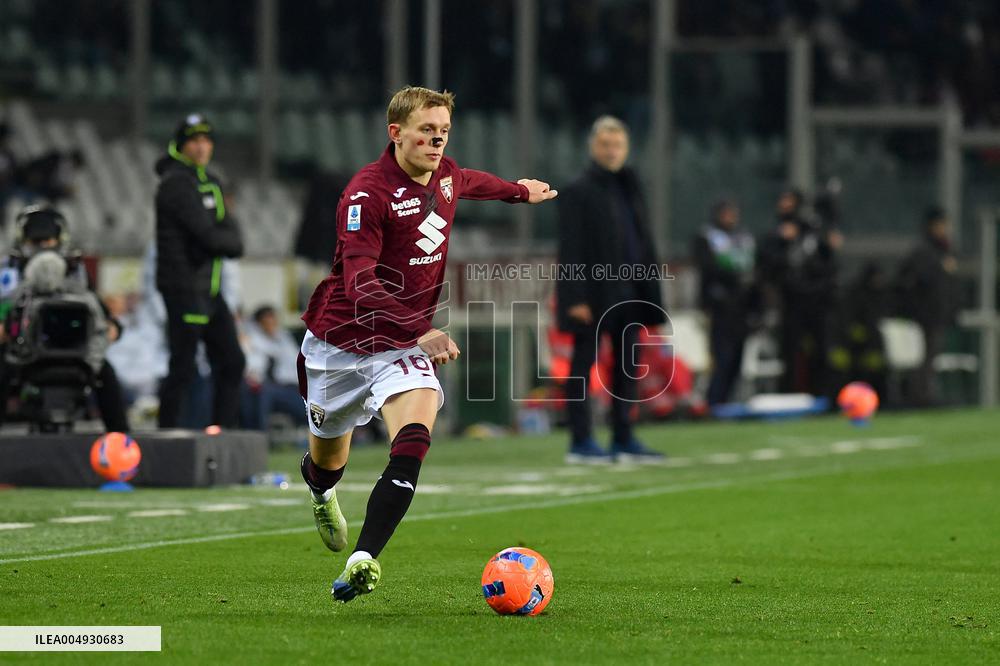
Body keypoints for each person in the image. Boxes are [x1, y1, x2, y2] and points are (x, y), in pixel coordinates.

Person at [299, 85, 556, 602]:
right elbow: (359, 284)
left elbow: (468, 181)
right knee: (328, 461)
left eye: (443, 132)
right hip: (341, 343)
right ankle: (322, 492)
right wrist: (421, 327)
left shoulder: (444, 174)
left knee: (413, 440)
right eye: (426, 132)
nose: (436, 142)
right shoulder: (366, 194)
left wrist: (515, 190)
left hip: (398, 346)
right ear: (396, 134)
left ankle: (364, 557)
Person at [555, 115, 667, 464]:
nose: (611, 151)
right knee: (583, 364)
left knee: (627, 365)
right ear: (593, 147)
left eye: (617, 144)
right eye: (605, 144)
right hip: (593, 292)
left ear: (626, 148)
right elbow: (570, 247)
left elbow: (642, 241)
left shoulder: (631, 186)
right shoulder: (578, 190)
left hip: (630, 288)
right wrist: (574, 297)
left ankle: (623, 435)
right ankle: (581, 440)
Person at [0, 206, 129, 432]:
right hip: (22, 351)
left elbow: (103, 315)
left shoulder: (76, 271)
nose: (42, 249)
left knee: (106, 375)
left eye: (48, 241)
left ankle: (121, 441)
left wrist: (112, 328)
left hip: (73, 352)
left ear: (59, 240)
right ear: (23, 242)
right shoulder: (7, 273)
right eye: (35, 242)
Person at [154, 114, 245, 429]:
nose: (202, 146)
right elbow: (211, 236)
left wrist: (221, 238)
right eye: (194, 140)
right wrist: (222, 238)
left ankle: (221, 435)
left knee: (232, 362)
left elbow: (230, 239)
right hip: (184, 288)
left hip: (208, 288)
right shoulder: (175, 185)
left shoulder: (211, 182)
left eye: (206, 139)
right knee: (183, 366)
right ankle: (167, 437)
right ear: (181, 146)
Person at [757, 188, 841, 396]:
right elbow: (768, 266)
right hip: (791, 300)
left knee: (821, 349)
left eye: (789, 201)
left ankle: (822, 394)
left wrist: (829, 246)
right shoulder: (775, 234)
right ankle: (791, 394)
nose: (784, 205)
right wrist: (782, 240)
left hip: (818, 299)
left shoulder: (813, 230)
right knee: (790, 351)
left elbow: (828, 264)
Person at [692, 199, 758, 405]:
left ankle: (729, 401)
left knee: (738, 357)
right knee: (722, 356)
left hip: (742, 308)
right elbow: (708, 269)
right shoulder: (707, 237)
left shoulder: (744, 238)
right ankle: (715, 401)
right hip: (720, 307)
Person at [894, 206, 960, 406]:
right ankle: (919, 397)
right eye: (942, 224)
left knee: (929, 357)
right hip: (925, 315)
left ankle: (923, 394)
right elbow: (918, 282)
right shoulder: (925, 251)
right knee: (922, 358)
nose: (945, 229)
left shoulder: (941, 250)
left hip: (936, 314)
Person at [241, 305, 305, 430]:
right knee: (263, 393)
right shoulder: (252, 340)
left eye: (273, 319)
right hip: (266, 387)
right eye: (267, 320)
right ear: (259, 323)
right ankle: (259, 435)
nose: (271, 323)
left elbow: (297, 362)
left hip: (290, 387)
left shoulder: (284, 338)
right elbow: (253, 368)